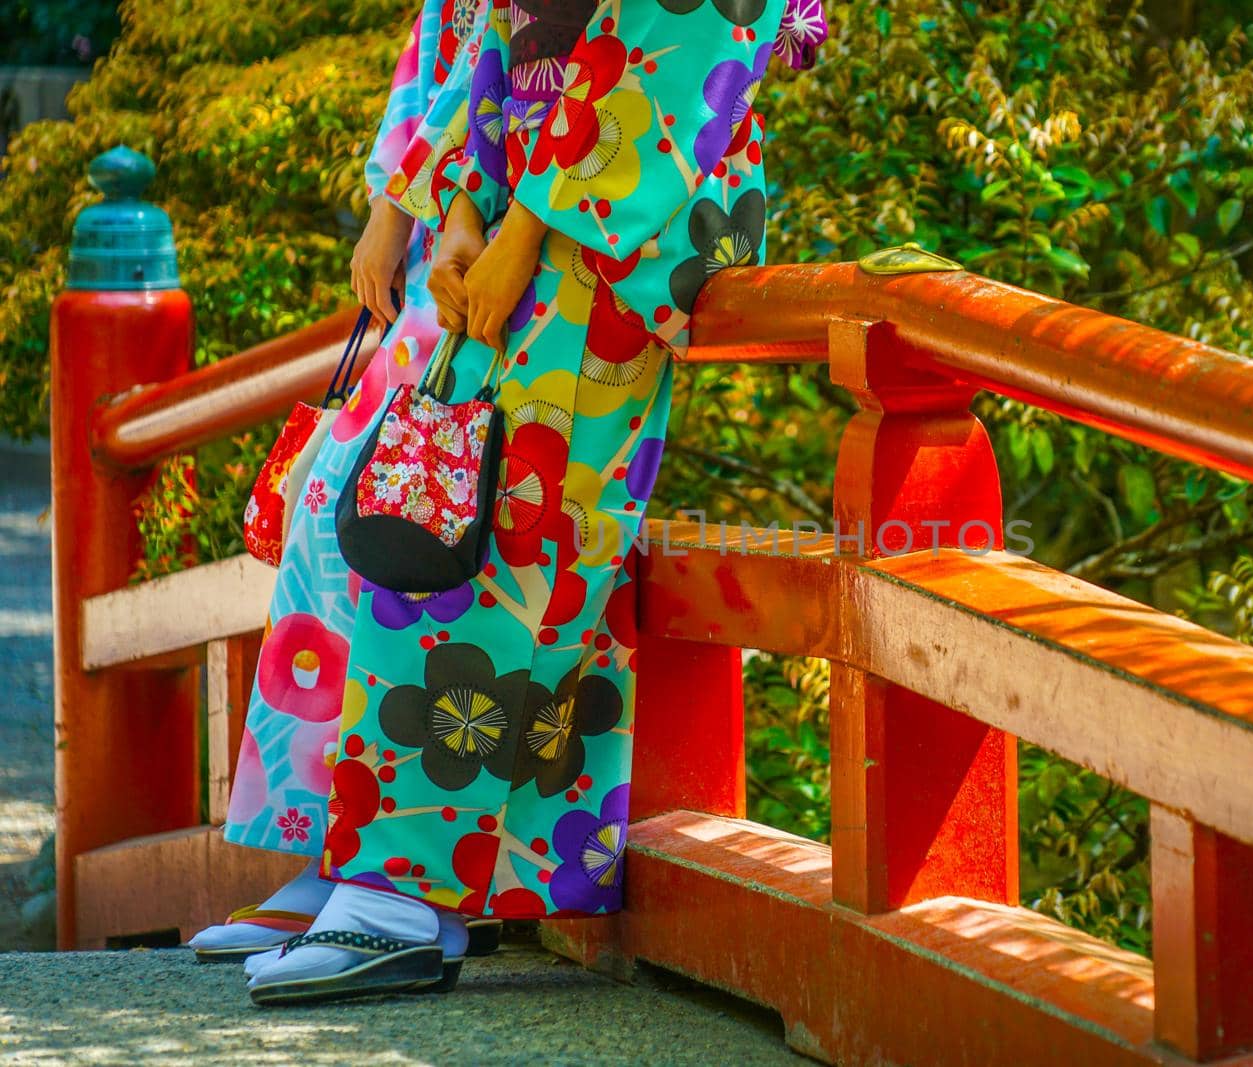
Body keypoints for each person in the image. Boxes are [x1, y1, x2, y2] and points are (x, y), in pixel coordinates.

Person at [211, 0, 827, 1005]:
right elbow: (499, 43)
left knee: (503, 557)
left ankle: (398, 902)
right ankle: (399, 883)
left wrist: (527, 229)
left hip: (598, 250)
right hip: (514, 217)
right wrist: (456, 218)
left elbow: (688, 41)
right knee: (436, 523)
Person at [186, 0, 486, 965]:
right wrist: (388, 211)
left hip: (510, 247)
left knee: (406, 543)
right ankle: (330, 852)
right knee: (328, 521)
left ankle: (402, 886)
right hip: (446, 238)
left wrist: (417, 208)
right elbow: (440, 47)